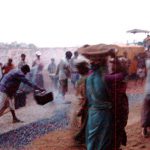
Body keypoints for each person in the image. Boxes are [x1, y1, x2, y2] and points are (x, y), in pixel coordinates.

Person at [86, 57, 113, 150]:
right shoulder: (105, 78)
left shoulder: (89, 78)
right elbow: (111, 97)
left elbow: (89, 98)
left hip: (92, 112)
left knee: (92, 137)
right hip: (103, 113)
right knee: (103, 138)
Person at [105, 56, 129, 149]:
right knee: (115, 128)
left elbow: (107, 79)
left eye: (114, 63)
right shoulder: (117, 74)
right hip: (117, 104)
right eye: (111, 63)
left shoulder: (121, 75)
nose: (111, 65)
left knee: (117, 128)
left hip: (119, 105)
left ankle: (116, 146)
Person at [73, 60, 89, 144]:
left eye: (78, 69)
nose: (77, 71)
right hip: (86, 103)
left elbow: (85, 96)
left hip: (86, 103)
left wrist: (82, 107)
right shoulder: (87, 77)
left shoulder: (83, 80)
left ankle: (83, 137)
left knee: (85, 119)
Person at [141, 59, 150, 137]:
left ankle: (144, 128)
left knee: (146, 111)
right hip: (148, 91)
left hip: (147, 92)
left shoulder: (147, 61)